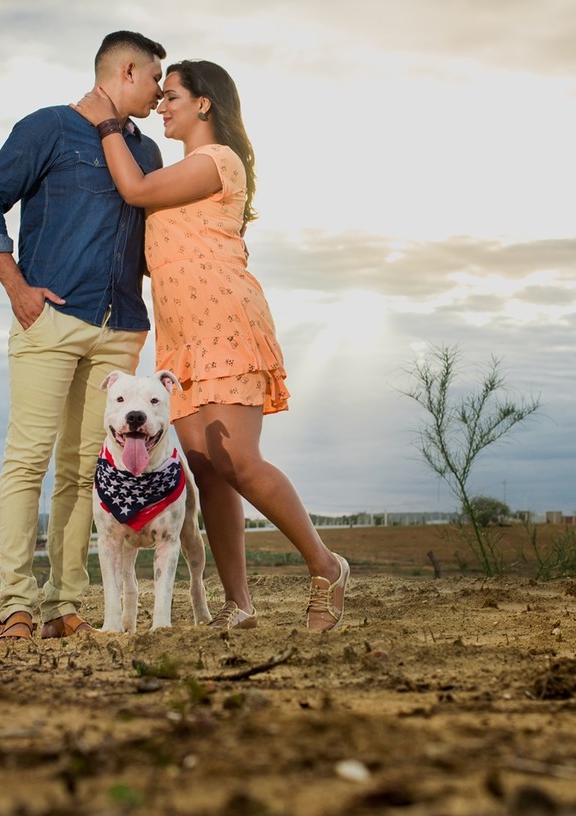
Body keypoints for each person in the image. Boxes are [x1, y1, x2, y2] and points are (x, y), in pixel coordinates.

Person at [72, 60, 349, 631]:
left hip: (224, 321)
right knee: (205, 468)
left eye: (172, 95)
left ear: (204, 103)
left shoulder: (217, 161)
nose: (161, 105)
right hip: (180, 334)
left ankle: (327, 567)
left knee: (238, 461)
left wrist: (106, 124)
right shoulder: (182, 171)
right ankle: (238, 604)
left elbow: (135, 188)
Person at [0, 31, 167, 642]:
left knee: (85, 470)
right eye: (155, 79)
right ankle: (16, 606)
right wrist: (17, 288)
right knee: (28, 460)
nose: (160, 93)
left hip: (121, 327)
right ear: (126, 70)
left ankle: (63, 605)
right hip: (51, 318)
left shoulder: (148, 152)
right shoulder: (49, 127)